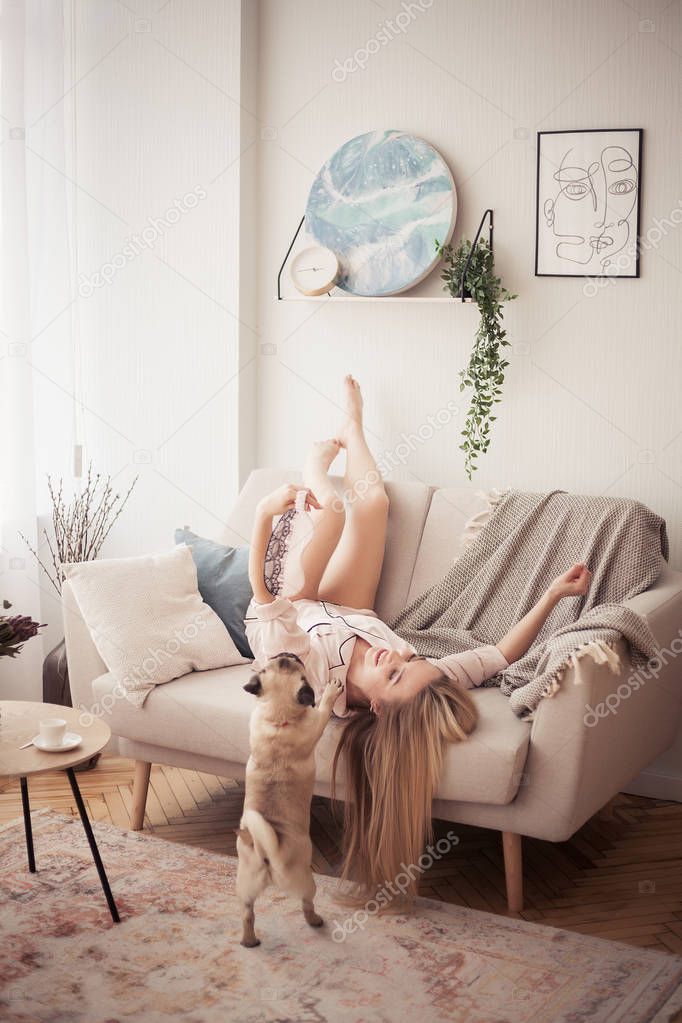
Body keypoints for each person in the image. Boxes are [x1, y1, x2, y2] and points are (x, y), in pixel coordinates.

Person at [245, 375, 591, 902]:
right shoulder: (422, 676)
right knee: (375, 505)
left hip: (287, 610)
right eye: (413, 658)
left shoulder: (307, 680)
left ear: (379, 709)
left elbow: (268, 598)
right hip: (345, 612)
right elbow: (500, 654)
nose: (400, 653)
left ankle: (315, 463)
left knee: (335, 511)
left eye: (394, 672)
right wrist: (551, 596)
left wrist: (264, 519)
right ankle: (352, 426)